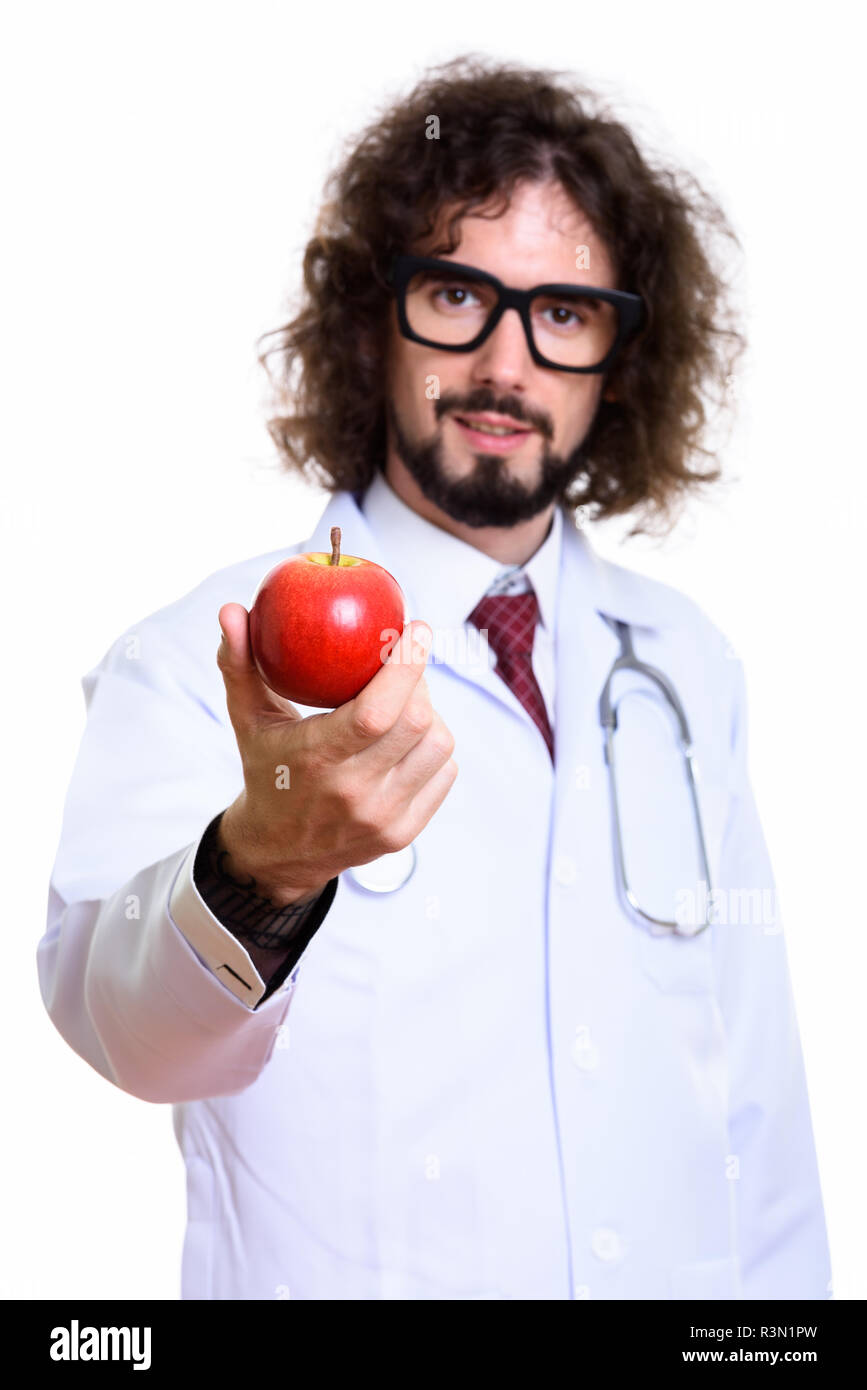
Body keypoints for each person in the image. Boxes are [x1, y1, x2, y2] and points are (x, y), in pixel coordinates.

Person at [38, 56, 832, 1301]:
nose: (507, 367)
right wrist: (261, 864)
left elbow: (759, 1117)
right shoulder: (210, 650)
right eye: (460, 295)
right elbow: (122, 1028)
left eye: (564, 312)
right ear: (375, 321)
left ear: (619, 356)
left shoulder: (687, 667)